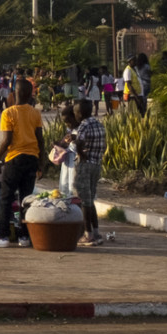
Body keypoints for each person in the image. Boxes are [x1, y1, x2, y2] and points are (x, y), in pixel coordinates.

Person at [0, 79, 46, 247]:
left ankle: (3, 236)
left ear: (14, 94)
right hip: (32, 158)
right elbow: (40, 140)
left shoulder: (8, 113)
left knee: (6, 198)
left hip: (14, 159)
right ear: (30, 95)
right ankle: (24, 236)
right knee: (26, 199)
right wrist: (41, 164)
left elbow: (6, 140)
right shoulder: (35, 113)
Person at [69, 99, 111, 246]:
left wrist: (80, 152)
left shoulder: (83, 126)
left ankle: (88, 235)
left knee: (84, 200)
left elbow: (79, 143)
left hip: (85, 165)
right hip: (96, 164)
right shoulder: (98, 124)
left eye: (75, 113)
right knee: (90, 199)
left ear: (80, 113)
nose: (75, 115)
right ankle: (96, 232)